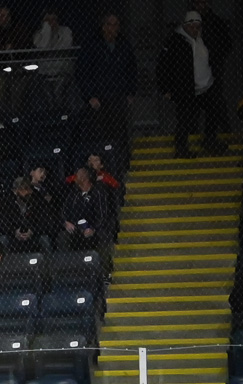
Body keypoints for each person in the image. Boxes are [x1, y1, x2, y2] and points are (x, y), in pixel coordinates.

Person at [157, 11, 226, 158]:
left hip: (206, 86)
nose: (195, 30)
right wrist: (165, 88)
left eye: (198, 27)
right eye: (192, 27)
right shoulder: (175, 41)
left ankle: (209, 140)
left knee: (215, 109)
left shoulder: (204, 40)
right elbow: (162, 66)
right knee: (185, 118)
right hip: (186, 88)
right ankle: (181, 148)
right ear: (186, 26)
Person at [76, 12, 138, 147]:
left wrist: (131, 92)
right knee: (99, 132)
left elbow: (132, 70)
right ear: (103, 27)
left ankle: (122, 163)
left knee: (120, 132)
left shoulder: (124, 45)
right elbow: (83, 72)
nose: (113, 28)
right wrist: (90, 95)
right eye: (110, 25)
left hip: (118, 96)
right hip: (99, 97)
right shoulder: (91, 45)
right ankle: (102, 163)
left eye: (116, 25)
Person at [1, 174, 57, 252]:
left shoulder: (38, 199)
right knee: (3, 239)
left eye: (27, 189)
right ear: (16, 190)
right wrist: (15, 231)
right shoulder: (7, 201)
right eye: (23, 189)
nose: (27, 192)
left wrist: (32, 231)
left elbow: (46, 220)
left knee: (44, 239)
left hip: (34, 233)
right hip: (15, 234)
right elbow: (3, 221)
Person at [58, 170, 110, 249]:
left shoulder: (98, 192)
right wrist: (66, 222)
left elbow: (102, 214)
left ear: (86, 179)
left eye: (79, 176)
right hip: (75, 227)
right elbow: (64, 210)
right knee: (63, 236)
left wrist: (92, 228)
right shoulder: (74, 193)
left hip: (92, 226)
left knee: (102, 235)